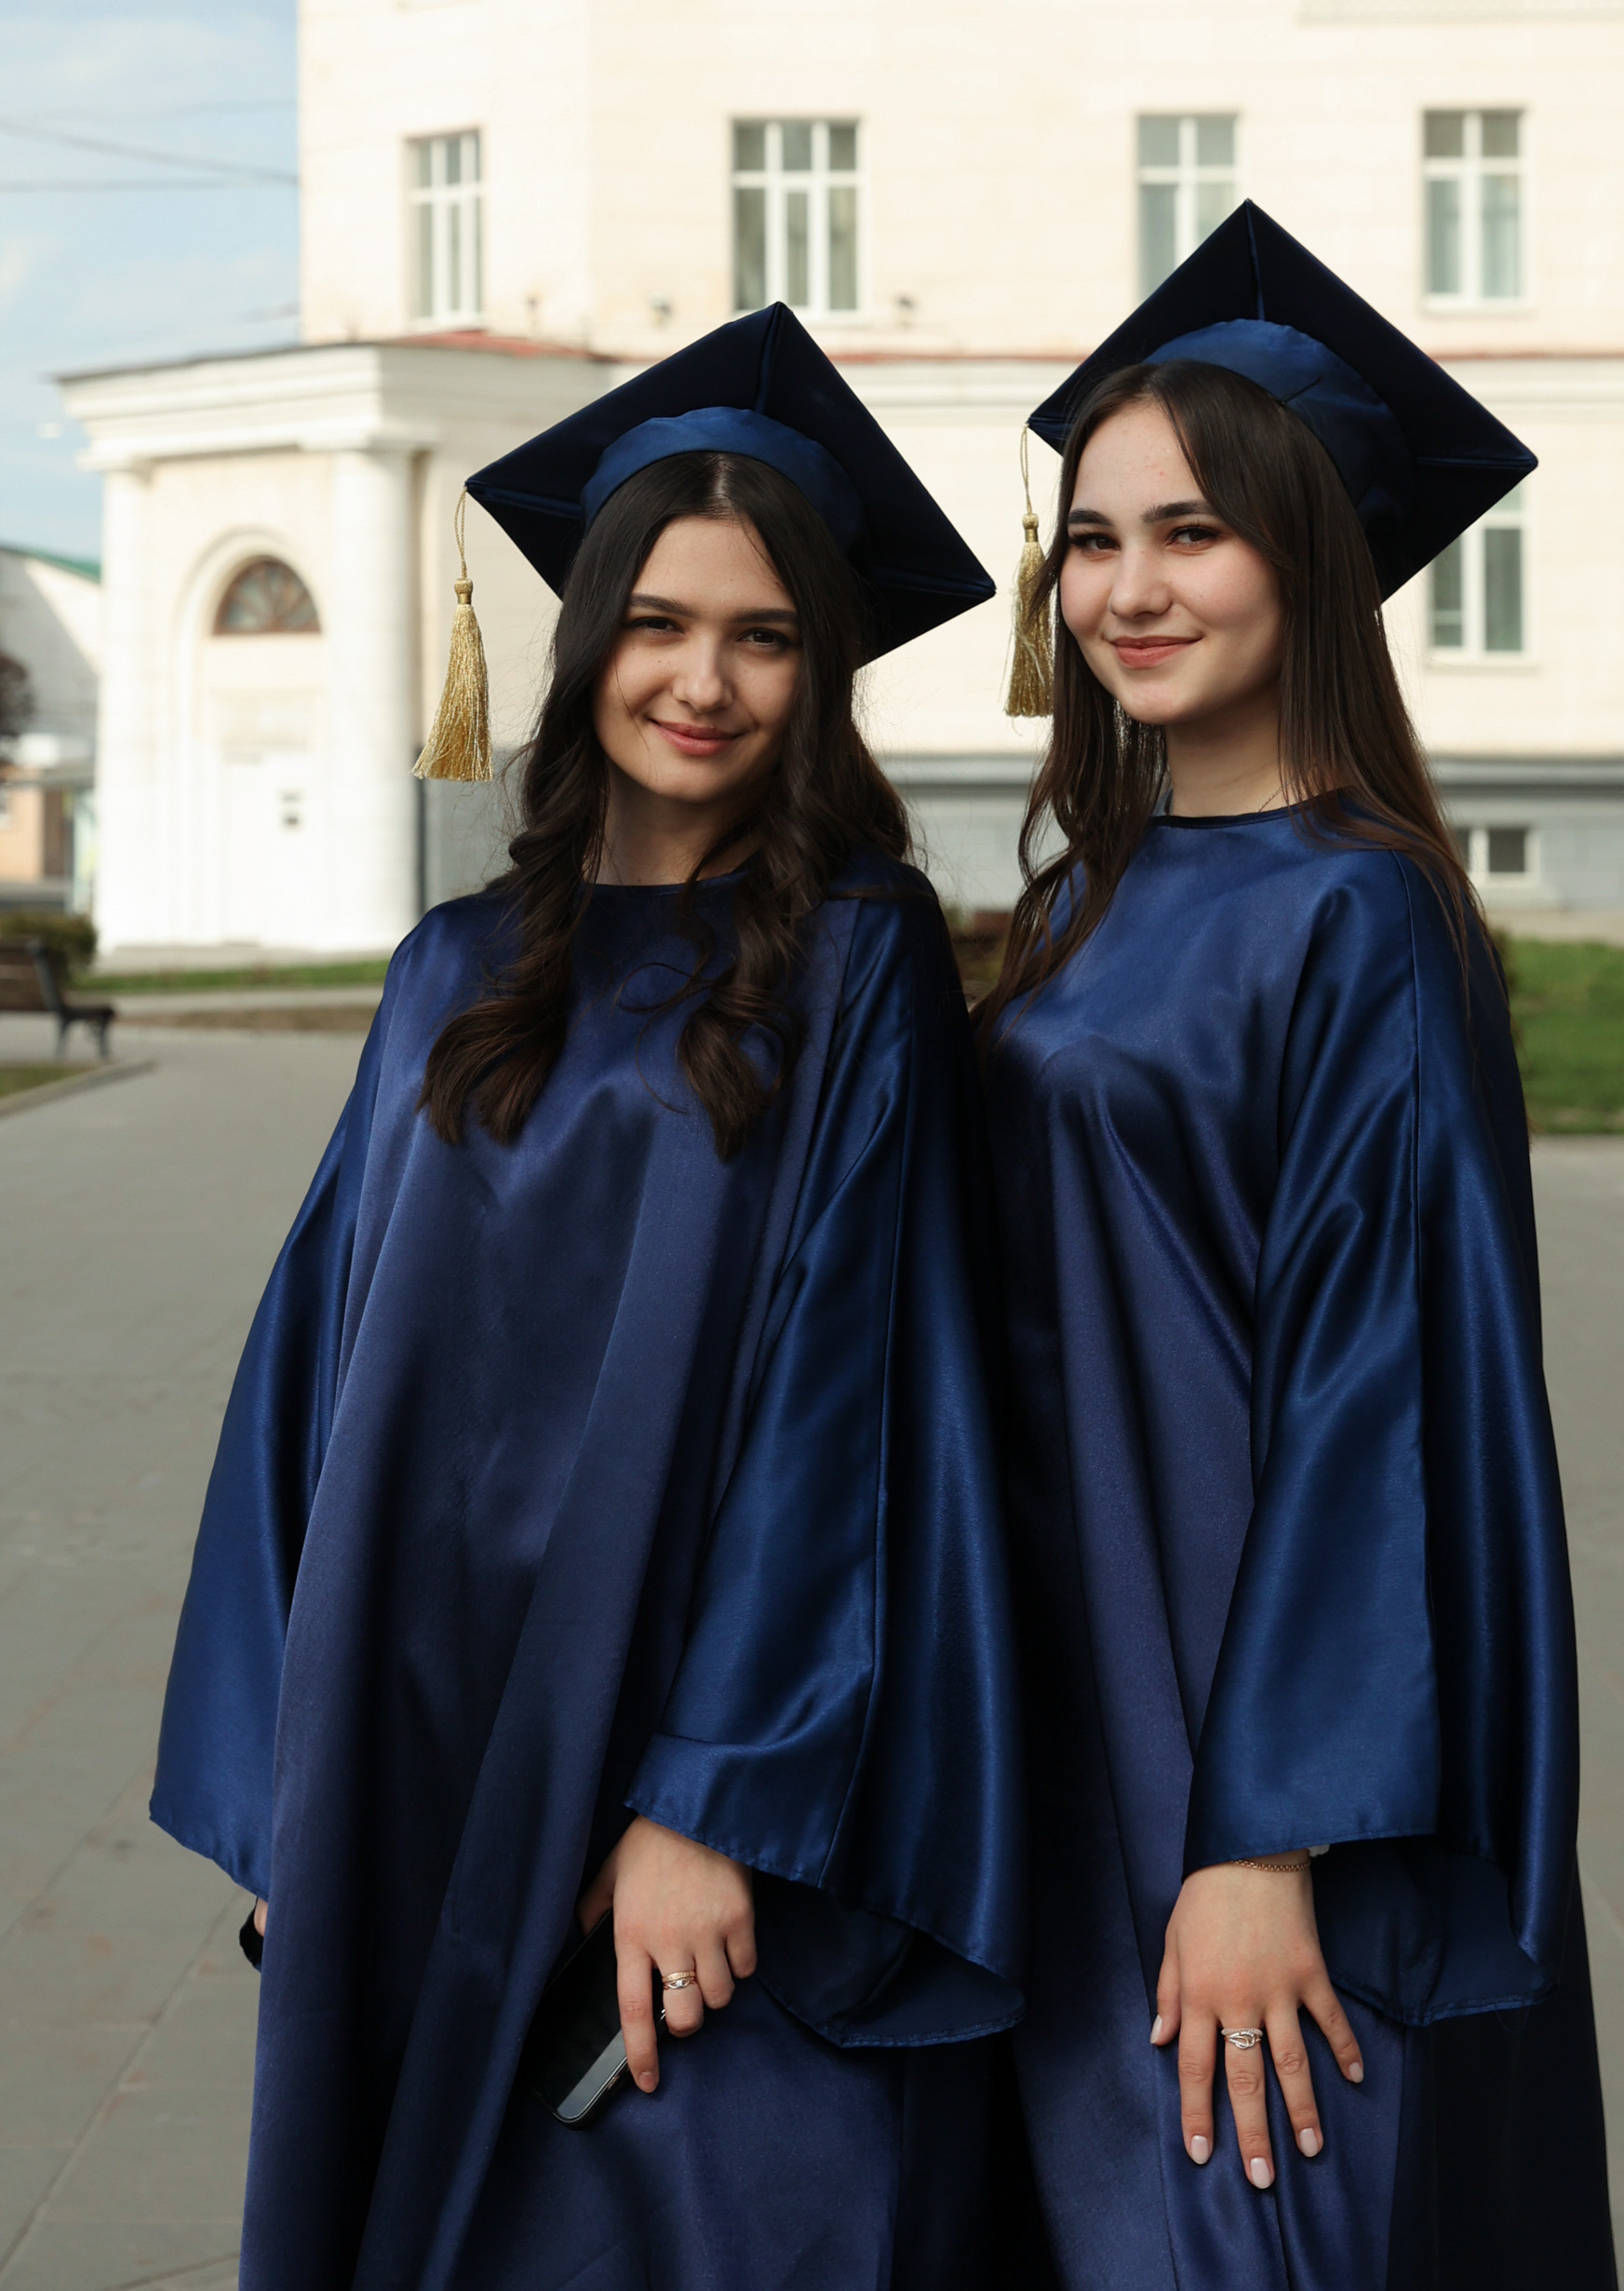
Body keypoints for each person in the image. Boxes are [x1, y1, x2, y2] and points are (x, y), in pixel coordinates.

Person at [152, 306, 1031, 2289]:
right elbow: (311, 1371)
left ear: (821, 672)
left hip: (672, 1733)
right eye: (656, 622)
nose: (701, 680)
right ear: (579, 642)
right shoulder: (449, 968)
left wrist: (714, 1796)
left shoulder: (860, 964)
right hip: (420, 1719)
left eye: (763, 636)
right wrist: (293, 1790)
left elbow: (855, 1391)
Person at [978, 205, 1617, 2289]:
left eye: (1194, 532)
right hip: (1063, 1702)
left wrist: (1268, 1831)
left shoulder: (1361, 911)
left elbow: (1380, 1394)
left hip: (1237, 1748)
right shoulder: (1087, 896)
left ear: (1312, 558)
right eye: (1093, 539)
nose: (1129, 588)